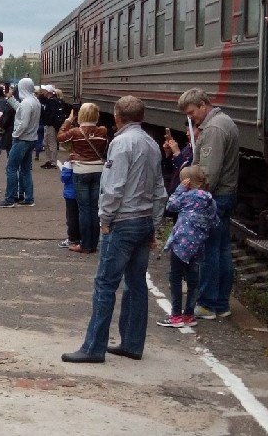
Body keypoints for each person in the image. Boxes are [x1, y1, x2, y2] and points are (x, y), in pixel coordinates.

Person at [62, 96, 165, 363]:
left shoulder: (121, 144)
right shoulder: (152, 145)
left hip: (122, 222)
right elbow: (159, 191)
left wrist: (105, 220)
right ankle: (132, 343)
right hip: (143, 221)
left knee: (105, 284)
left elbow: (114, 187)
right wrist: (154, 224)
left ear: (118, 116)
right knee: (135, 284)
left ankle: (93, 347)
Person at [177, 88, 240, 320]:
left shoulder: (213, 129)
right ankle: (222, 303)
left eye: (191, 112)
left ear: (203, 105)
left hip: (215, 197)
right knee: (223, 250)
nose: (190, 117)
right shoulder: (225, 122)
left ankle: (207, 303)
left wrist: (195, 200)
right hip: (226, 194)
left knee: (209, 251)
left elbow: (208, 175)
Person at [157, 165, 219, 328]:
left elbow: (170, 206)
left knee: (176, 277)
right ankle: (189, 315)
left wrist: (179, 190)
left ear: (187, 182)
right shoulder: (210, 200)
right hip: (198, 245)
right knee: (193, 280)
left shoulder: (187, 196)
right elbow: (214, 221)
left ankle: (176, 315)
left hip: (181, 244)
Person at [57, 103, 109, 254]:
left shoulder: (75, 132)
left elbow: (60, 138)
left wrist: (68, 120)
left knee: (84, 209)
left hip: (81, 171)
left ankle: (85, 244)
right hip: (98, 171)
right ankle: (93, 243)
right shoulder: (103, 131)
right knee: (94, 208)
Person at [0, 78, 39, 208]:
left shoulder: (27, 103)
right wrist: (10, 99)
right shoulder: (34, 101)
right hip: (31, 139)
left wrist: (16, 134)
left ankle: (10, 198)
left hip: (22, 139)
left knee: (11, 167)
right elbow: (20, 109)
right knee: (25, 169)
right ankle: (29, 198)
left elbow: (23, 123)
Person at [59, 161, 79, 249]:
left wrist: (64, 168)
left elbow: (64, 178)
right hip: (82, 194)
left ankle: (72, 238)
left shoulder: (69, 163)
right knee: (82, 215)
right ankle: (83, 238)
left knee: (71, 217)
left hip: (71, 194)